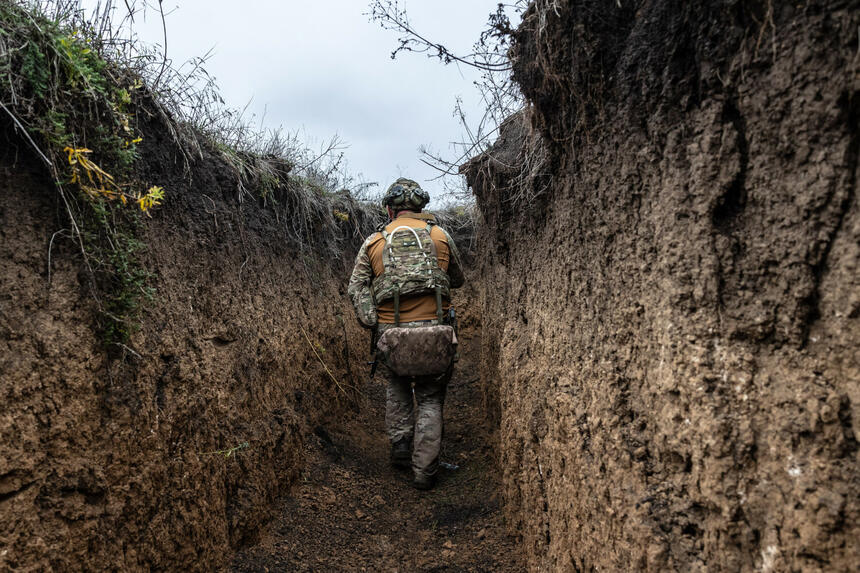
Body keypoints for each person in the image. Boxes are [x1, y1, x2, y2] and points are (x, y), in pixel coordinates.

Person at [347, 178, 465, 490]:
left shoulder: (374, 241)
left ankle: (401, 448)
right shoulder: (440, 235)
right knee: (429, 397)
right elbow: (458, 279)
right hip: (435, 334)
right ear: (421, 208)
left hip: (392, 335)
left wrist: (372, 320)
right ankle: (424, 472)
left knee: (397, 385)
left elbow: (356, 286)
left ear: (390, 210)